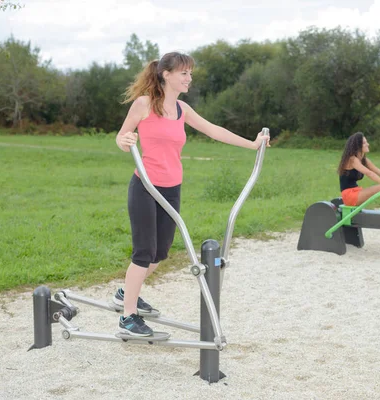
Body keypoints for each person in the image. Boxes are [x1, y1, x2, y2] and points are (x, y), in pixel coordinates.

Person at [113, 52, 269, 337]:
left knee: (160, 254)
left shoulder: (183, 109)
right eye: (184, 73)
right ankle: (128, 317)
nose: (189, 78)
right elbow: (122, 137)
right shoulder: (144, 104)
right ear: (166, 74)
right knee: (144, 252)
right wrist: (125, 141)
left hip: (172, 188)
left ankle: (125, 293)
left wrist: (252, 144)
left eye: (190, 73)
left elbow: (214, 130)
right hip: (145, 186)